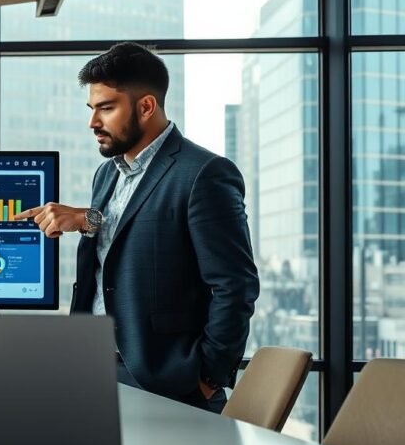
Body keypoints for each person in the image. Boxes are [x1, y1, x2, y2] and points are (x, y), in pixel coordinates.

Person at [16, 42, 260, 413]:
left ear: (146, 106)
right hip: (94, 370)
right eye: (91, 109)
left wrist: (208, 377)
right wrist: (87, 220)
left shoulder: (203, 173)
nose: (92, 123)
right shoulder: (106, 174)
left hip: (168, 382)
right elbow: (134, 235)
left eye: (106, 108)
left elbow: (235, 285)